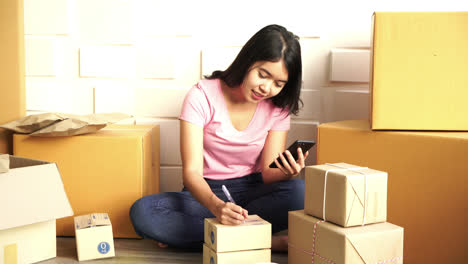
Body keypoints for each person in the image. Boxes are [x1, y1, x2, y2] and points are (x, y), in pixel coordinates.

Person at [129, 24, 309, 252]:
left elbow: (268, 173)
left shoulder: (278, 107)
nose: (266, 88)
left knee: (300, 193)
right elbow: (192, 173)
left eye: (278, 84)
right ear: (248, 61)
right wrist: (217, 208)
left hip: (253, 192)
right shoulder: (201, 96)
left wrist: (289, 171)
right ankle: (265, 242)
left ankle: (205, 237)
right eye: (263, 75)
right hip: (206, 193)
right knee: (143, 212)